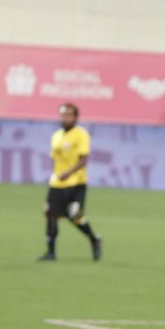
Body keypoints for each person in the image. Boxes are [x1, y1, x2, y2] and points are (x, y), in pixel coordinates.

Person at [37, 103, 102, 261]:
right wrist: (54, 177)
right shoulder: (56, 136)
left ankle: (93, 238)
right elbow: (56, 161)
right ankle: (51, 252)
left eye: (68, 115)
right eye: (63, 114)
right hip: (57, 182)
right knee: (50, 214)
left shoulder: (81, 134)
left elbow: (83, 159)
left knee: (74, 214)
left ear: (75, 117)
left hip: (76, 182)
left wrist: (68, 172)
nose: (65, 118)